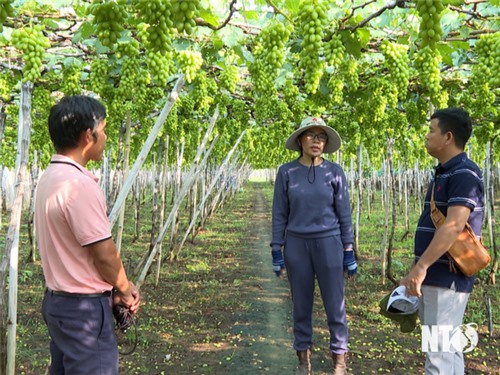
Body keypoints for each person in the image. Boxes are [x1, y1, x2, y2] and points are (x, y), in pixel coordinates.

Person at [35, 95, 141, 375]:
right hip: (83, 313)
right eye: (103, 129)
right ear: (87, 136)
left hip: (59, 304)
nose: (105, 136)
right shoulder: (78, 185)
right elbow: (104, 254)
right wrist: (124, 288)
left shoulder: (49, 178)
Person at [270, 116, 357, 375]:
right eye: (311, 135)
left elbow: (344, 213)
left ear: (326, 142)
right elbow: (279, 213)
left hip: (329, 244)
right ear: (300, 140)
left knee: (335, 305)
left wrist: (348, 249)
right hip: (297, 245)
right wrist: (277, 248)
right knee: (301, 305)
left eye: (321, 137)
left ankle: (339, 361)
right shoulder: (286, 172)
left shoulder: (334, 172)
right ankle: (303, 360)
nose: (316, 141)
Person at [400, 107, 484, 375]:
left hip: (444, 277)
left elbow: (453, 225)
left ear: (448, 137)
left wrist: (421, 267)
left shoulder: (464, 173)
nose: (426, 136)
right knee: (448, 350)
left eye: (431, 130)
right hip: (437, 277)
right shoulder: (445, 171)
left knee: (437, 356)